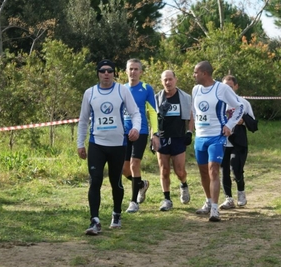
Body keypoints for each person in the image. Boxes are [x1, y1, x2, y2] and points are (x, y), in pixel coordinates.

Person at [77, 59, 141, 235]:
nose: (106, 73)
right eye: (103, 70)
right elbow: (83, 120)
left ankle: (117, 213)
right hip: (97, 143)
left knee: (116, 181)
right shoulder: (89, 93)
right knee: (95, 180)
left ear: (114, 74)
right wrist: (80, 143)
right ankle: (94, 220)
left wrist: (135, 128)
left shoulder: (122, 90)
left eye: (110, 71)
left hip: (118, 144)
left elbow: (135, 113)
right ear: (98, 73)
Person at [191, 61, 244, 222]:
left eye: (196, 72)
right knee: (203, 172)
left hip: (217, 136)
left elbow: (239, 107)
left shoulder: (221, 88)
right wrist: (191, 128)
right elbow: (194, 110)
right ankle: (207, 202)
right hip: (200, 136)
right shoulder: (195, 89)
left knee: (213, 169)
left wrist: (229, 125)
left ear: (205, 73)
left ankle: (215, 209)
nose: (193, 75)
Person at [154, 70, 194, 211]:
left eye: (170, 79)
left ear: (175, 80)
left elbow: (191, 116)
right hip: (162, 138)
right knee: (164, 170)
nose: (168, 82)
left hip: (178, 138)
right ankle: (167, 199)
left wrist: (189, 132)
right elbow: (152, 118)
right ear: (162, 81)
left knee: (179, 171)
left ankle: (183, 184)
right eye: (165, 80)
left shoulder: (185, 97)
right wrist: (153, 136)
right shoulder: (157, 98)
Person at [123, 58, 159, 213]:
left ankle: (133, 202)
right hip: (123, 133)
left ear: (141, 72)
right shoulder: (121, 88)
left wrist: (154, 133)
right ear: (126, 71)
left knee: (134, 164)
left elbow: (152, 112)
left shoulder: (146, 88)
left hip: (141, 132)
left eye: (136, 69)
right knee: (124, 169)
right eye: (130, 69)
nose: (133, 72)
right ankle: (141, 184)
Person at [219, 75, 255, 209]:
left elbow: (254, 125)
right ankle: (228, 198)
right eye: (224, 87)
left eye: (229, 86)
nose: (227, 89)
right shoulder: (218, 102)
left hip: (238, 143)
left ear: (235, 87)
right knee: (224, 171)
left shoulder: (243, 103)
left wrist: (243, 120)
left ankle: (241, 192)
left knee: (236, 168)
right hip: (222, 142)